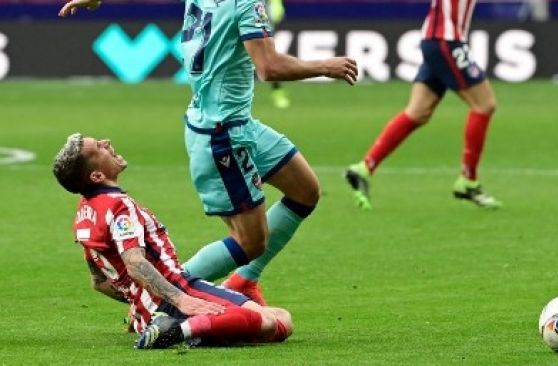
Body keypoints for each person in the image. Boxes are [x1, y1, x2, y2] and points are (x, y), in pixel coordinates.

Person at [58, 0, 357, 305]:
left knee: (305, 190)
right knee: (250, 242)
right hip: (222, 133)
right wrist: (325, 66)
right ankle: (159, 297)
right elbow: (269, 68)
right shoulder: (245, 3)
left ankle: (243, 280)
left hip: (237, 122)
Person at [52, 133, 293, 349]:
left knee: (279, 320)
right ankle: (179, 331)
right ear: (97, 175)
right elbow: (135, 262)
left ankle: (190, 330)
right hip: (178, 290)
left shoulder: (85, 214)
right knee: (271, 322)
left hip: (150, 312)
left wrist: (140, 302)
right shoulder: (118, 206)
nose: (106, 142)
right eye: (99, 148)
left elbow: (99, 281)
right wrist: (181, 299)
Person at [345, 0, 501, 210]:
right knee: (484, 104)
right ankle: (468, 181)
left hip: (435, 40)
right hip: (446, 40)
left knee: (418, 112)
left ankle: (363, 168)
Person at [268, 0, 291, 109]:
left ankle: (277, 93)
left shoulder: (274, 3)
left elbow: (278, 15)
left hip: (262, 36)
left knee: (269, 62)